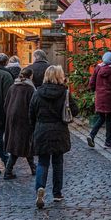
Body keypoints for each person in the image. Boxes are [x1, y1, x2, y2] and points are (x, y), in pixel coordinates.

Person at [29, 65, 79, 208]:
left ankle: (40, 188)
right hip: (59, 130)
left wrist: (35, 129)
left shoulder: (37, 93)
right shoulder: (65, 93)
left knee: (42, 162)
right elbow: (75, 111)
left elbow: (31, 113)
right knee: (58, 163)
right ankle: (57, 193)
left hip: (42, 130)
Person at [2, 67, 37, 179]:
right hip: (24, 119)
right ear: (31, 76)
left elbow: (6, 104)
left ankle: (32, 167)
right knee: (23, 143)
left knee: (20, 143)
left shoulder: (12, 87)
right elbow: (33, 107)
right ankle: (8, 171)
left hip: (12, 119)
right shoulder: (30, 89)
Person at [87, 51, 111, 149]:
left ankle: (92, 135)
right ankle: (107, 141)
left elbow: (92, 81)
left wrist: (95, 90)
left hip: (100, 97)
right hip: (109, 98)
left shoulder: (98, 68)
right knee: (109, 119)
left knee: (101, 117)